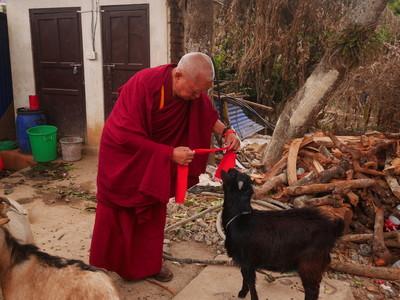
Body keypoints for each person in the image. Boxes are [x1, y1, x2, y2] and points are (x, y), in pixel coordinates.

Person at [89, 52, 240, 282]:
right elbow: (123, 134)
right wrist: (169, 153)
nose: (197, 96)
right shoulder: (144, 84)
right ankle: (102, 267)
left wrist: (226, 132)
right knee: (115, 214)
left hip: (154, 160)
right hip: (124, 158)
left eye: (201, 92)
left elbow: (206, 114)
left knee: (152, 211)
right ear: (178, 75)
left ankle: (148, 266)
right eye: (194, 91)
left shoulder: (191, 90)